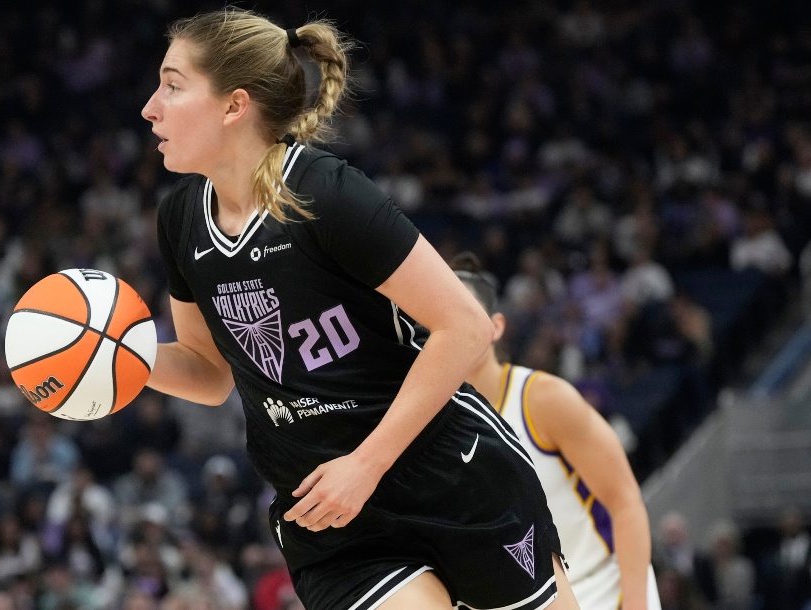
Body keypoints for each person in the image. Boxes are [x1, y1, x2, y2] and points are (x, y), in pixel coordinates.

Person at [141, 8, 578, 610]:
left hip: (446, 472)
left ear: (233, 105)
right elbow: (209, 372)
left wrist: (365, 466)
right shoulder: (180, 219)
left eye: (171, 84)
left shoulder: (325, 192)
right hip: (326, 511)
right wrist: (116, 357)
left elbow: (466, 326)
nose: (150, 107)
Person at [451, 251, 660, 609]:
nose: (451, 326)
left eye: (463, 313)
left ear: (497, 326)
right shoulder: (428, 423)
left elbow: (625, 500)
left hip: (601, 588)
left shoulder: (543, 400)